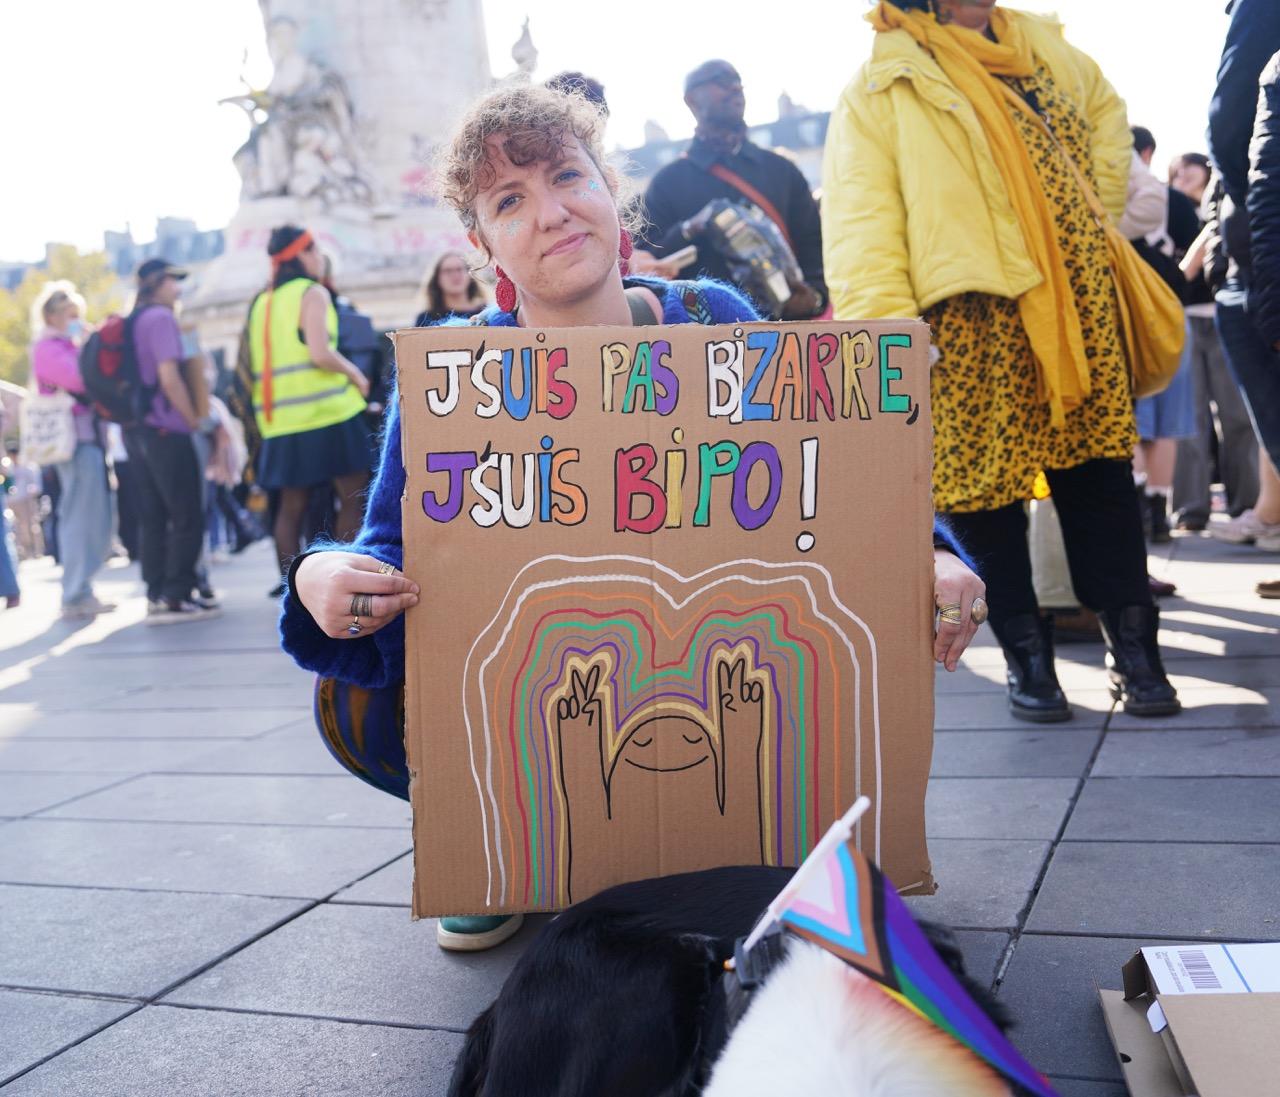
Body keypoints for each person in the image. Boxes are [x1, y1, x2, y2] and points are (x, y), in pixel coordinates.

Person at [279, 83, 985, 952]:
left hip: (726, 670)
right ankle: (496, 847)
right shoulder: (461, 374)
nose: (551, 213)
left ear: (610, 188)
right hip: (554, 692)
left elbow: (834, 476)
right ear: (481, 241)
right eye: (509, 200)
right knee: (356, 691)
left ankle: (731, 834)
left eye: (567, 176)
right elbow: (392, 543)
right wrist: (319, 574)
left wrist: (935, 559)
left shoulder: (709, 316)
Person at [823, 0, 1182, 721]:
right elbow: (864, 218)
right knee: (983, 501)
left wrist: (1089, 218)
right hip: (966, 315)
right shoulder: (883, 81)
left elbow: (1109, 123)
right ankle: (1031, 665)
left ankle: (1139, 658)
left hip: (1073, 299)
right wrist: (891, 332)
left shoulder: (1046, 47)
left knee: (1100, 478)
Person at [640, 60, 827, 319]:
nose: (735, 87)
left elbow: (814, 248)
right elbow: (647, 264)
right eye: (721, 80)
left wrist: (813, 299)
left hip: (786, 334)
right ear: (691, 100)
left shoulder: (782, 170)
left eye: (738, 81)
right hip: (704, 341)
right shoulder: (667, 182)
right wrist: (690, 228)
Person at [245, 226, 372, 597]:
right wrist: (355, 374)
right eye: (315, 249)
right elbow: (320, 352)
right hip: (328, 412)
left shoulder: (262, 302)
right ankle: (347, 577)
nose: (319, 256)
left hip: (281, 421)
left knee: (291, 506)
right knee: (353, 495)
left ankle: (291, 589)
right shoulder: (312, 292)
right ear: (301, 254)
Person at [125, 260, 219, 624]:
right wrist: (193, 419)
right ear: (156, 283)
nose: (178, 288)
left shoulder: (134, 318)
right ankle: (177, 594)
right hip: (168, 428)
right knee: (186, 514)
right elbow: (169, 377)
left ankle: (156, 592)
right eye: (173, 280)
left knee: (152, 515)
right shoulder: (161, 319)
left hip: (139, 430)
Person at [30, 282, 116, 619]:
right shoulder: (49, 348)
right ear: (52, 316)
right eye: (70, 315)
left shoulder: (65, 344)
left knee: (93, 515)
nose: (77, 321)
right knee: (80, 516)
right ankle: (75, 592)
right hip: (74, 442)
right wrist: (90, 347)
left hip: (87, 438)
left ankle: (82, 588)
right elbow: (81, 380)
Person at [413, 252, 487, 327]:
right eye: (448, 271)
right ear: (436, 278)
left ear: (470, 274)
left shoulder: (486, 313)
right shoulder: (425, 319)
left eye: (459, 269)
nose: (455, 275)